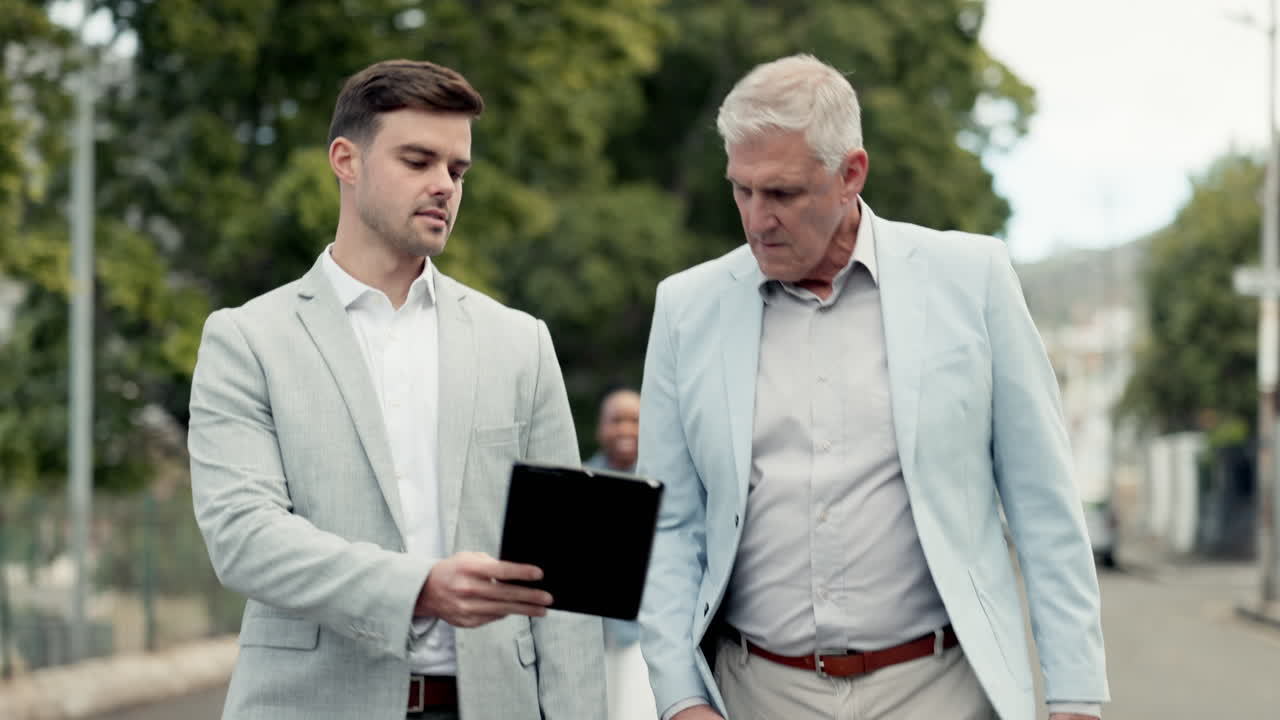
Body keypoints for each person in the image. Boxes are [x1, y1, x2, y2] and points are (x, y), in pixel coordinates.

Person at [635, 54, 1108, 720]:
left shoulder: (972, 279)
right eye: (742, 190)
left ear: (850, 174)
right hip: (755, 694)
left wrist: (1075, 698)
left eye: (782, 194)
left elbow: (1043, 504)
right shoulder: (686, 309)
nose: (757, 220)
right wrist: (682, 698)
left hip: (939, 691)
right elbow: (668, 525)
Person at [188, 59, 605, 720]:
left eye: (457, 171)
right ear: (346, 161)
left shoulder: (519, 342)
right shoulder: (247, 339)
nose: (444, 185)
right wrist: (420, 587)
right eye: (418, 161)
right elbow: (245, 538)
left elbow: (566, 580)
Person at [585, 387, 642, 474]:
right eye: (616, 420)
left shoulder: (661, 476)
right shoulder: (580, 474)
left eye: (635, 421)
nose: (625, 431)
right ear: (600, 426)